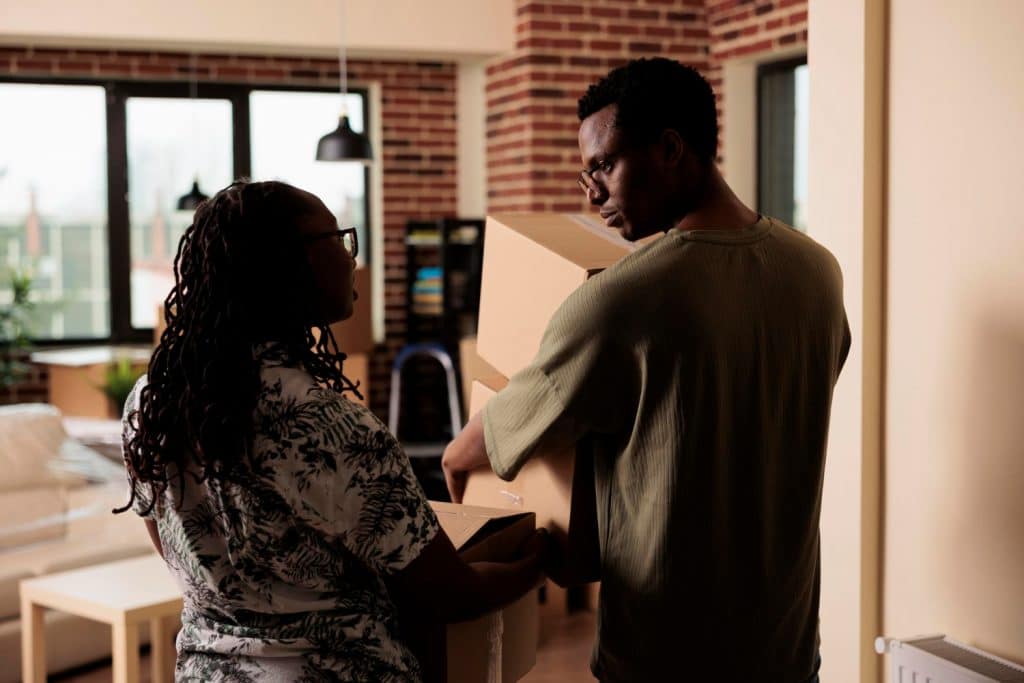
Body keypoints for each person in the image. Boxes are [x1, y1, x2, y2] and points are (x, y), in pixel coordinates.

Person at [441, 58, 850, 682]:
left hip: (666, 657)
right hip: (788, 649)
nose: (591, 192)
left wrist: (452, 460)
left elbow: (504, 428)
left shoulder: (621, 299)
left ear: (669, 149)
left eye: (604, 165)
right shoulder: (819, 272)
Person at [117, 180, 545, 682]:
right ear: (288, 265)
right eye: (338, 240)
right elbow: (446, 593)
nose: (351, 258)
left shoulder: (148, 406)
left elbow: (175, 549)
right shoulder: (332, 428)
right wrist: (538, 560)